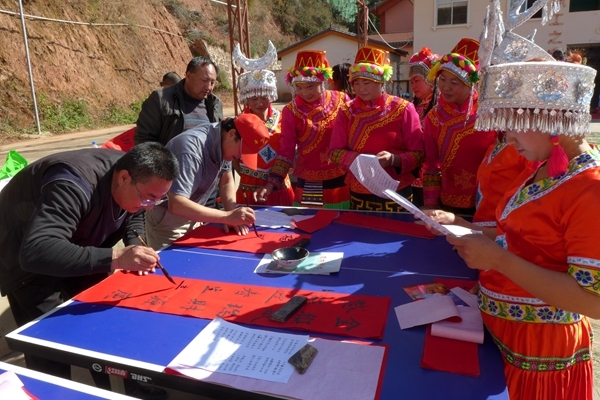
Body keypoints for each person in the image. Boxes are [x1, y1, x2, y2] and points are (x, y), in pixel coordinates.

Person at [433, 3, 599, 397]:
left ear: (549, 118)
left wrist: (498, 260)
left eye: (515, 126)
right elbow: (517, 237)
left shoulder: (590, 188)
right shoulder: (541, 168)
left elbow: (592, 301)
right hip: (501, 331)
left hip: (540, 350)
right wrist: (464, 226)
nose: (508, 139)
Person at [0, 142, 179, 400]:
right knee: (51, 347)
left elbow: (135, 215)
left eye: (158, 199)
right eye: (148, 197)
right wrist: (117, 257)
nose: (150, 206)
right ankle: (53, 394)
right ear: (124, 178)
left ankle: (122, 389)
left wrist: (135, 244)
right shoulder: (72, 183)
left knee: (101, 327)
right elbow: (38, 251)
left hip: (81, 246)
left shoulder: (132, 173)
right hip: (28, 264)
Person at [144, 114, 270, 250]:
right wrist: (227, 216)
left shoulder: (223, 140)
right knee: (175, 263)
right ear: (232, 134)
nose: (240, 157)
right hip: (169, 220)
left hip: (195, 213)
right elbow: (176, 205)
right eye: (242, 151)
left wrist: (231, 212)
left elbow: (226, 180)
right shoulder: (190, 150)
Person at [329, 46, 423, 211]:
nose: (361, 88)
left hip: (397, 191)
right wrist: (360, 161)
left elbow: (419, 154)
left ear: (381, 81)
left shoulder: (403, 109)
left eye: (367, 82)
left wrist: (393, 159)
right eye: (356, 83)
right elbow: (335, 152)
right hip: (359, 190)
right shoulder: (346, 111)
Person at [256, 50, 350, 209]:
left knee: (341, 220)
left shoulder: (342, 101)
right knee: (309, 220)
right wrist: (271, 183)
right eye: (299, 87)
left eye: (310, 87)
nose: (305, 93)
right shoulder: (291, 110)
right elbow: (286, 150)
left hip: (341, 176)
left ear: (322, 82)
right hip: (309, 180)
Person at [422, 37, 496, 215]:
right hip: (447, 204)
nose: (445, 87)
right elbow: (431, 164)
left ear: (471, 84)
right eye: (442, 79)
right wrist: (431, 204)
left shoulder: (490, 114)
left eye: (454, 83)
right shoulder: (434, 117)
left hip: (488, 202)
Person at [231, 55, 294, 206]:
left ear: (270, 96)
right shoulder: (239, 123)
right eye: (254, 99)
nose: (259, 103)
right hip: (249, 186)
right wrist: (250, 175)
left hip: (280, 185)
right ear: (246, 99)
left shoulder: (283, 118)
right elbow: (234, 159)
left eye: (264, 97)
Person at [135, 56, 223, 145]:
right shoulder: (160, 100)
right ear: (188, 76)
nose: (208, 87)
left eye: (212, 82)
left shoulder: (215, 104)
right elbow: (144, 140)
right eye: (204, 80)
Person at [408, 47, 441, 207]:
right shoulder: (411, 106)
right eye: (412, 82)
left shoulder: (440, 108)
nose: (414, 85)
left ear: (431, 80)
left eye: (417, 80)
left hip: (433, 170)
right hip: (413, 171)